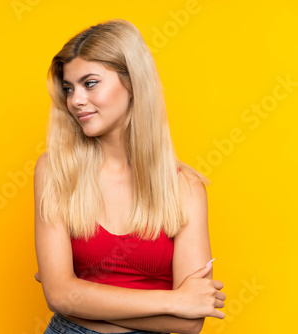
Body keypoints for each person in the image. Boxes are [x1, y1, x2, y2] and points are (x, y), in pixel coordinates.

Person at [33, 18, 226, 334]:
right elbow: (60, 295)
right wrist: (173, 302)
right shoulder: (56, 170)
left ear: (133, 82)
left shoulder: (185, 187)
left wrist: (81, 299)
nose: (75, 100)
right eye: (69, 88)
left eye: (90, 83)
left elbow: (190, 323)